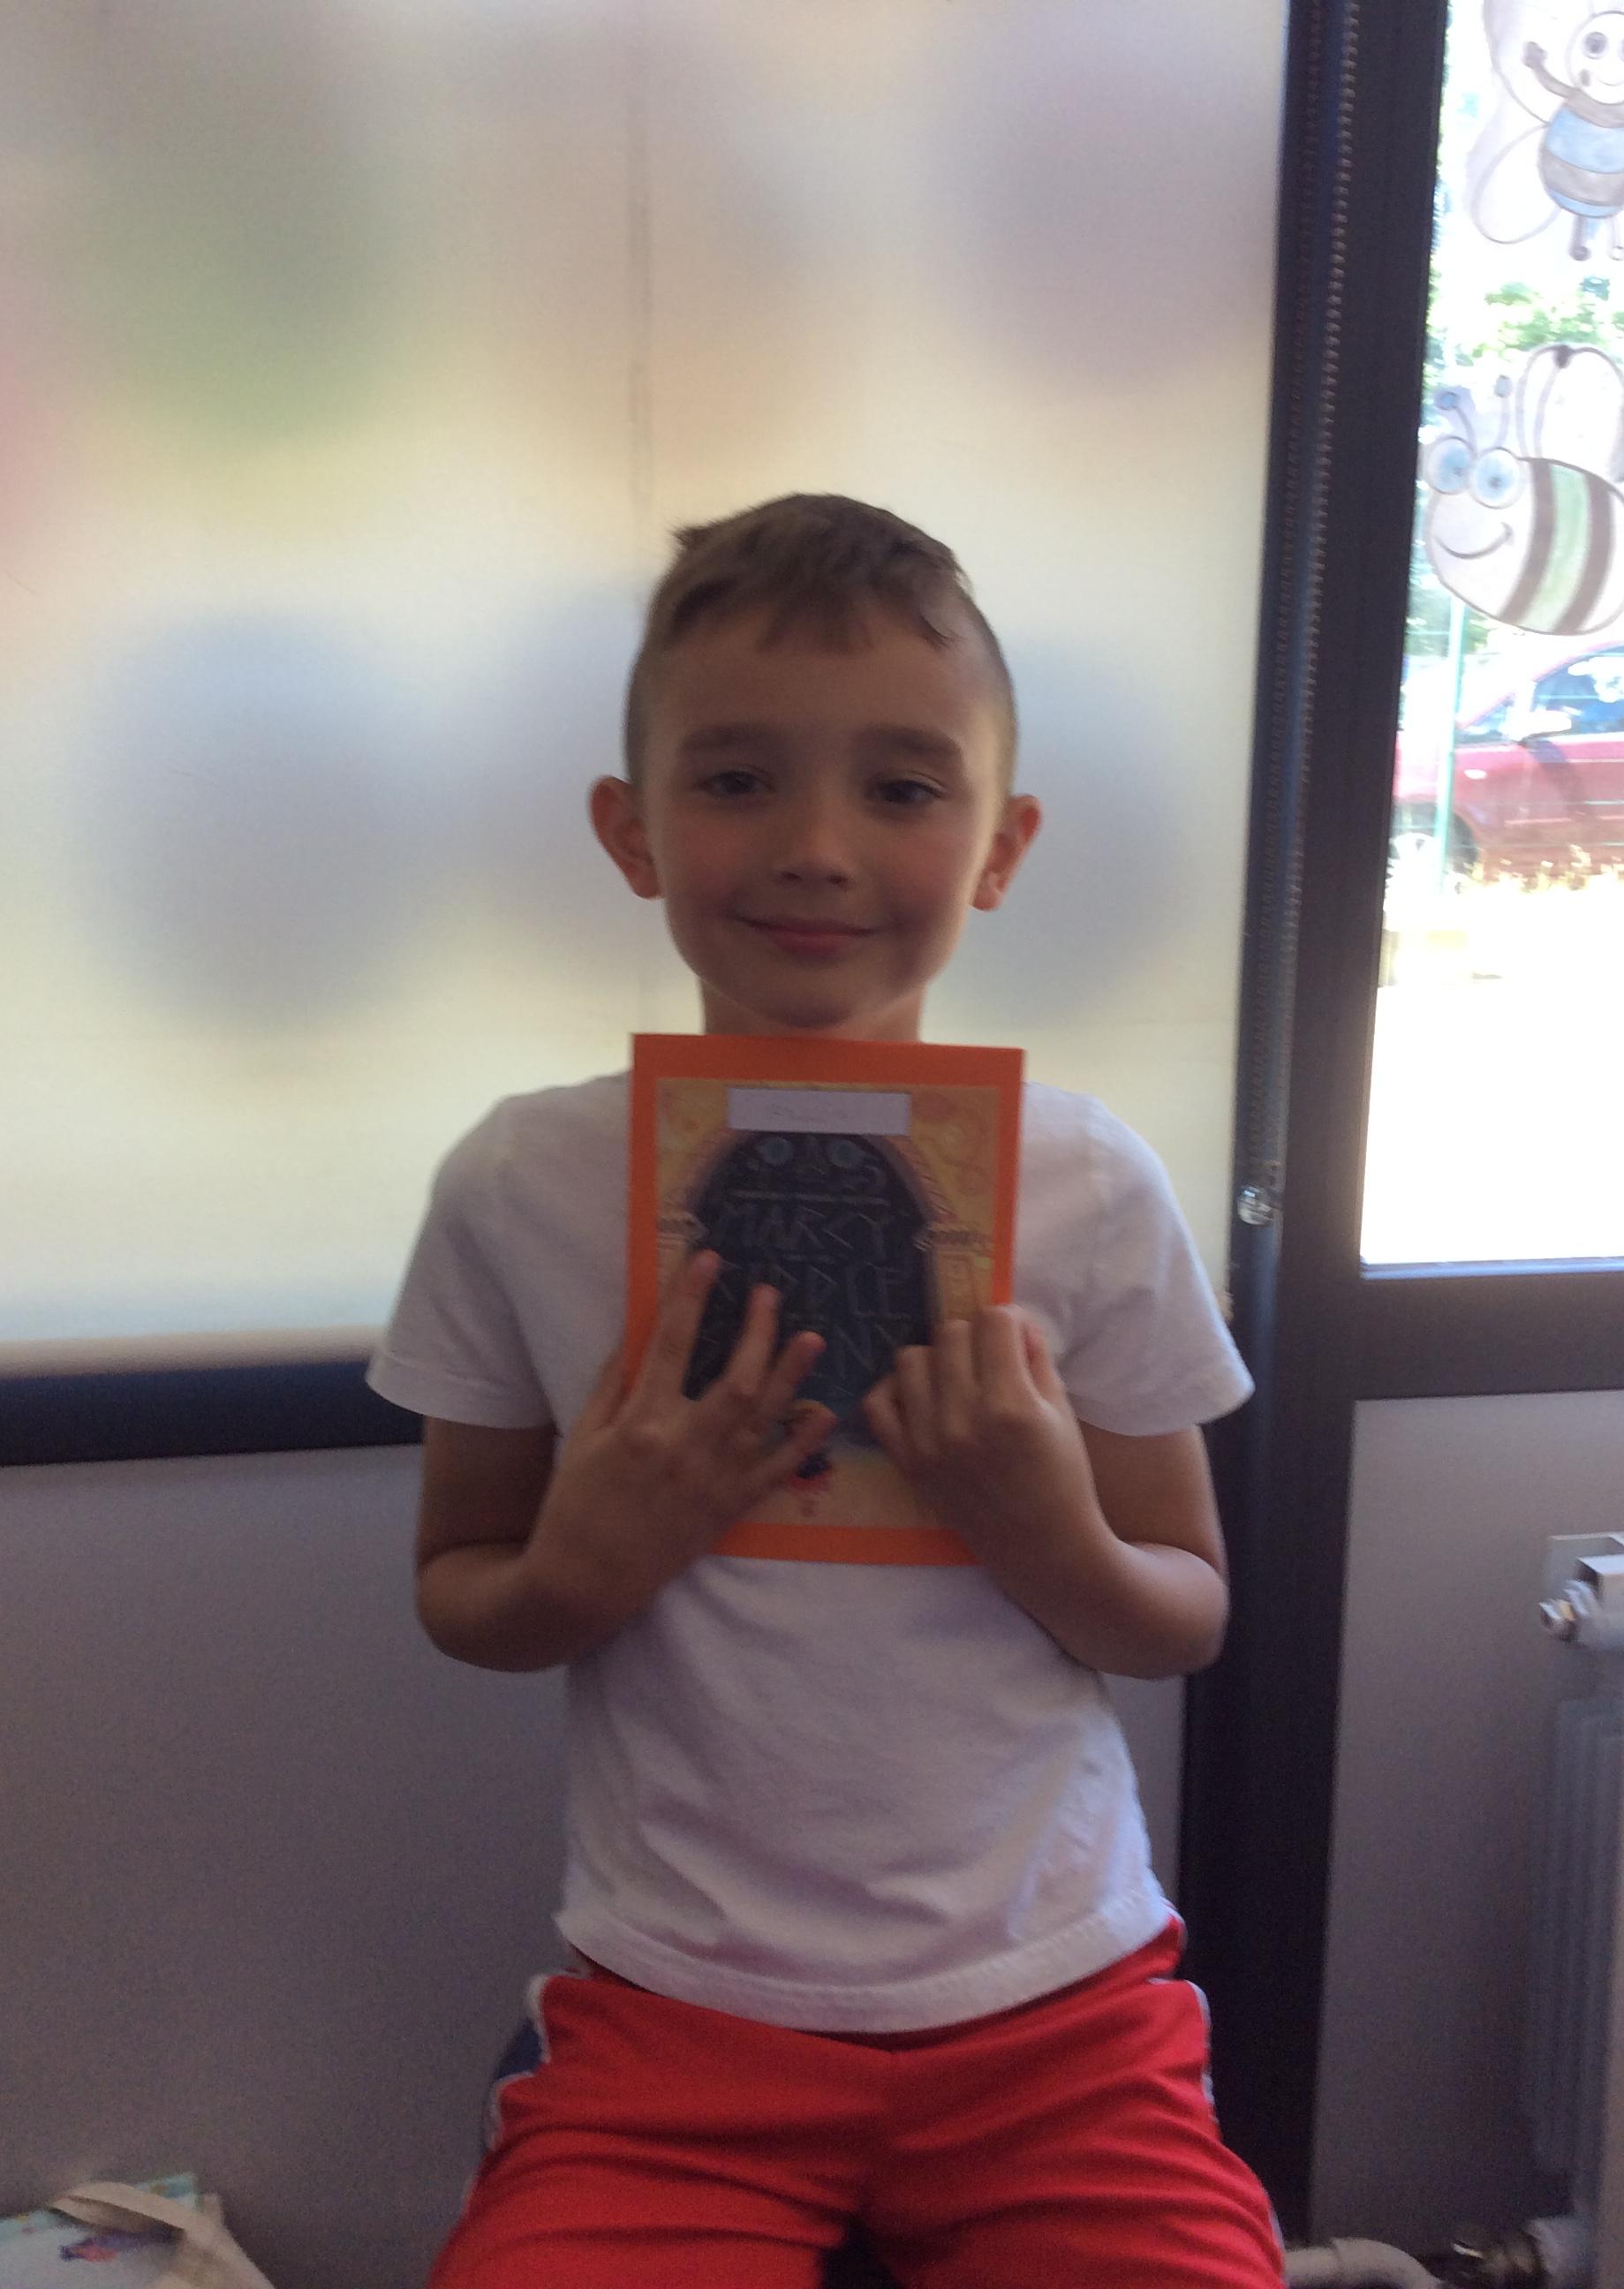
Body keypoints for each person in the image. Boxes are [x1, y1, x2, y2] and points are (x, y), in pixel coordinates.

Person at [368, 494, 1284, 2289]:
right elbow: (460, 1592)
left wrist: (1042, 1530)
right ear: (630, 831)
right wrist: (584, 1564)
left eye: (902, 786)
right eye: (734, 781)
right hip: (675, 2020)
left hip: (1057, 2010)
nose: (813, 847)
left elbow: (1184, 1612)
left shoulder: (1090, 1183)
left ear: (1000, 845)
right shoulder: (521, 1183)